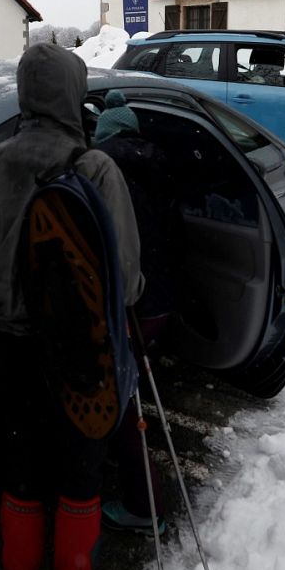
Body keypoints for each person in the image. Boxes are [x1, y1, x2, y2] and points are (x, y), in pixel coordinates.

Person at [0, 43, 143, 570]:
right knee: (80, 483)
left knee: (22, 481)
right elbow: (128, 282)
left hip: (11, 356)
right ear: (72, 92)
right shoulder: (95, 171)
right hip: (80, 359)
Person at [92, 90, 172, 537]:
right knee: (134, 390)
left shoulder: (103, 169)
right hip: (162, 297)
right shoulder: (156, 162)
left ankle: (146, 506)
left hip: (132, 301)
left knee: (125, 404)